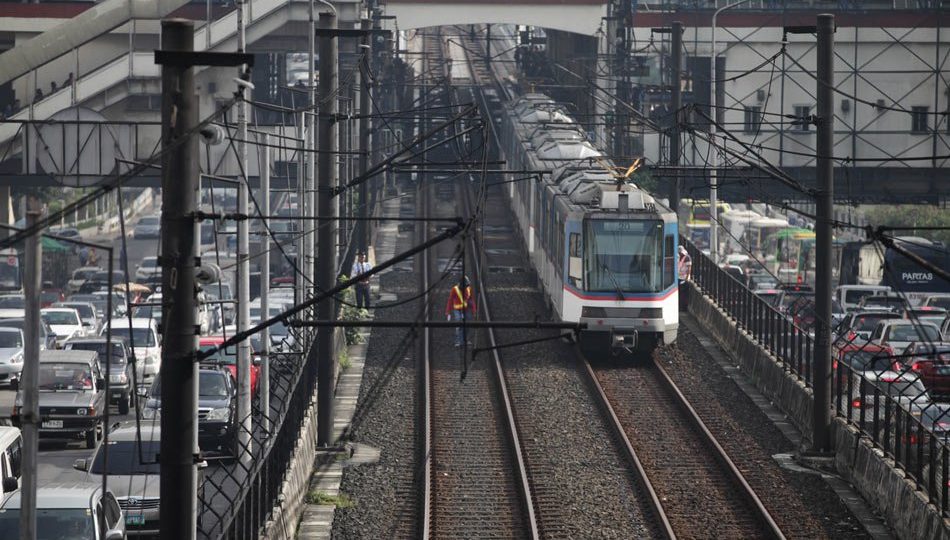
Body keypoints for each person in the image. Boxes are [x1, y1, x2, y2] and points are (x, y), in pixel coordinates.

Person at [445, 275, 476, 347]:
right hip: (457, 310)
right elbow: (450, 300)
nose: (466, 286)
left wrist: (474, 310)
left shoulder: (468, 289)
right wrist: (448, 312)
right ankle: (458, 341)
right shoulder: (454, 289)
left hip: (466, 309)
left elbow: (471, 300)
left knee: (467, 324)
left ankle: (465, 340)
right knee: (459, 323)